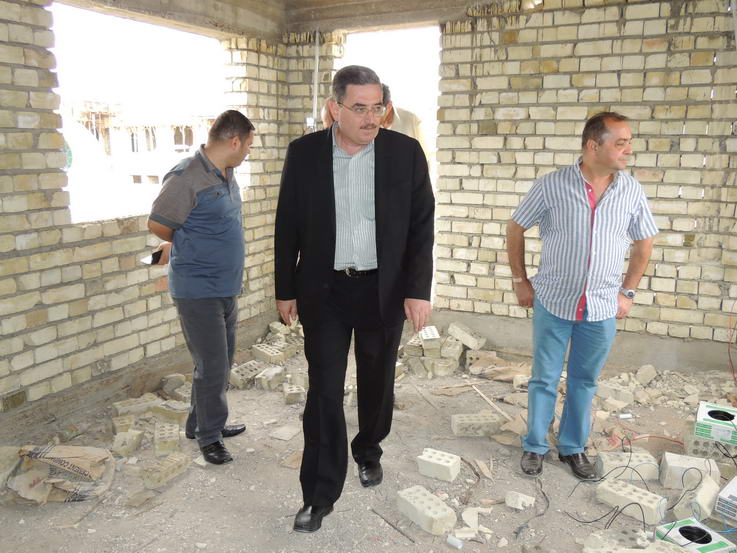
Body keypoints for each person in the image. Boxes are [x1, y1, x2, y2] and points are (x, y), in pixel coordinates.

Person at [275, 65, 434, 532]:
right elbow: (287, 224)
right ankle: (318, 495)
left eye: (377, 108)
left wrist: (417, 290)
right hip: (324, 289)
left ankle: (368, 447)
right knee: (324, 389)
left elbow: (421, 226)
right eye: (360, 108)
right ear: (335, 108)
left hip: (382, 288)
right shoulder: (304, 153)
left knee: (376, 378)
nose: (371, 118)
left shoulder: (404, 152)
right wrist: (285, 289)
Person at [506, 112, 657, 480]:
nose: (629, 150)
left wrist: (628, 292)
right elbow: (515, 227)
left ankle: (573, 448)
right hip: (554, 300)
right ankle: (535, 445)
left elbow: (644, 242)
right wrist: (520, 279)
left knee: (584, 380)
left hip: (602, 306)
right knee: (544, 378)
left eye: (629, 142)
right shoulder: (552, 185)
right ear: (594, 146)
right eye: (620, 143)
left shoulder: (631, 190)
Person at [147, 110, 255, 465]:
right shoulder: (186, 176)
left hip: (225, 286)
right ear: (234, 141)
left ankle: (199, 424)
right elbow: (158, 224)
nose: (249, 151)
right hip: (197, 288)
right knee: (212, 366)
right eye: (248, 145)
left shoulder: (226, 172)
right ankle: (210, 438)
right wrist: (188, 241)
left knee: (218, 363)